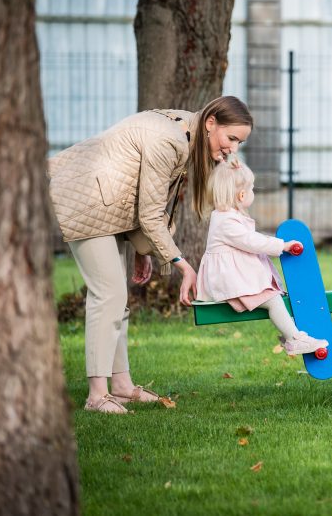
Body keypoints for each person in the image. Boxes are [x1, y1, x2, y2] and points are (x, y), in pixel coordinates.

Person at [48, 96, 254, 414]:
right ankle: (96, 395)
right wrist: (184, 267)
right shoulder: (170, 141)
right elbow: (150, 214)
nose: (233, 149)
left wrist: (144, 250)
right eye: (232, 138)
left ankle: (122, 386)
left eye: (239, 142)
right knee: (108, 296)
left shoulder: (189, 132)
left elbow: (147, 196)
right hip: (87, 199)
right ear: (211, 123)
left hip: (110, 205)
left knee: (118, 299)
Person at [196, 158, 329, 355]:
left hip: (233, 280)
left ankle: (290, 333)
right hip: (230, 284)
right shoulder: (226, 221)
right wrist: (281, 246)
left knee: (274, 297)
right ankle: (295, 339)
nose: (253, 193)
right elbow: (252, 241)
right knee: (273, 300)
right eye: (252, 189)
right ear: (242, 195)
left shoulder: (227, 217)